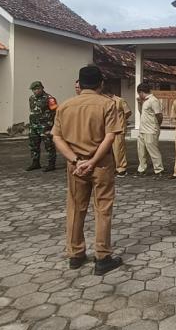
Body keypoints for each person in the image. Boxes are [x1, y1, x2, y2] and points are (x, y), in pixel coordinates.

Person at [52, 65, 123, 275]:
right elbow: (110, 136)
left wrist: (76, 160)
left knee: (75, 208)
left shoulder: (65, 106)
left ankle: (75, 254)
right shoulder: (107, 104)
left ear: (80, 84)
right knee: (102, 209)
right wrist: (92, 161)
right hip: (100, 164)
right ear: (101, 83)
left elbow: (57, 137)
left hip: (75, 166)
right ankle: (102, 256)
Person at [26, 81, 58, 172]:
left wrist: (52, 125)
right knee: (34, 145)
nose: (35, 91)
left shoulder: (50, 98)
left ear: (41, 88)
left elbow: (56, 111)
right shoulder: (31, 98)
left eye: (37, 89)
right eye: (33, 90)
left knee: (49, 145)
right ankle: (35, 163)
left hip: (45, 126)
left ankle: (51, 164)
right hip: (34, 126)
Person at [135, 83, 164, 178]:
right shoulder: (144, 101)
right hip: (142, 130)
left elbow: (159, 115)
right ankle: (141, 169)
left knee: (153, 151)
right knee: (141, 152)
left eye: (139, 93)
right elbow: (141, 112)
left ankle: (159, 170)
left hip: (151, 130)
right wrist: (139, 103)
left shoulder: (153, 100)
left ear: (141, 92)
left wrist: (156, 126)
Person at [102, 87, 132, 177]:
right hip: (108, 129)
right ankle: (113, 167)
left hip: (119, 129)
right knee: (108, 150)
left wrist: (122, 120)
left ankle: (121, 168)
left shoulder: (119, 100)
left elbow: (128, 112)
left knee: (119, 150)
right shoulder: (105, 102)